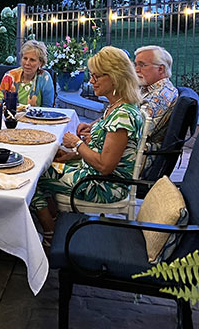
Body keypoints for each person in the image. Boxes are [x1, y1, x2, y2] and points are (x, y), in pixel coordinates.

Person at [31, 46, 144, 246]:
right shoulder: (117, 106)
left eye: (96, 76)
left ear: (115, 77)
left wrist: (76, 144)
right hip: (93, 174)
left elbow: (105, 166)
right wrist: (69, 155)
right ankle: (57, 221)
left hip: (105, 185)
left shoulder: (123, 115)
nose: (91, 81)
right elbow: (101, 151)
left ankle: (50, 235)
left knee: (34, 180)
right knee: (45, 167)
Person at [134, 45, 178, 144]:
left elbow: (134, 131)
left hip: (137, 153)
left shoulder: (161, 95)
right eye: (135, 65)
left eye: (142, 65)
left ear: (161, 69)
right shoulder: (146, 88)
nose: (136, 70)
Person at [0, 40, 55, 107]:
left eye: (32, 60)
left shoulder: (45, 78)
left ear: (40, 63)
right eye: (25, 58)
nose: (27, 63)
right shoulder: (10, 76)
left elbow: (47, 107)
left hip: (36, 116)